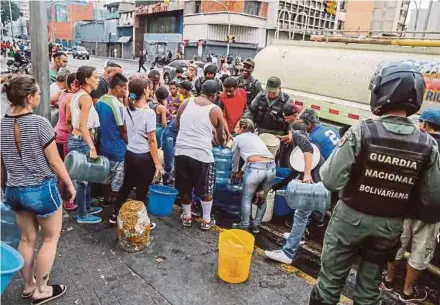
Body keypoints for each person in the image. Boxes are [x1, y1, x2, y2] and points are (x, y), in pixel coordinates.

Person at [308, 62, 440, 305]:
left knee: (328, 286)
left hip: (349, 219)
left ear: (384, 91)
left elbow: (329, 179)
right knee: (368, 292)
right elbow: (432, 199)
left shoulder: (362, 131)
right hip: (389, 227)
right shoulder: (428, 144)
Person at [1, 75, 75, 304]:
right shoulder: (39, 123)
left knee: (26, 239)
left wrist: (4, 187)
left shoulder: (1, 124)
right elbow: (54, 161)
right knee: (50, 239)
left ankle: (28, 286)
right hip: (41, 190)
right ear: (29, 97)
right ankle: (42, 290)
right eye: (38, 94)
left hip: (14, 190)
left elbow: (1, 163)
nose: (40, 97)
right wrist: (70, 184)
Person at [381, 108, 440, 303]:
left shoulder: (415, 143)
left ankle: (388, 280)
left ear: (423, 124)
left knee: (396, 244)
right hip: (431, 212)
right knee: (420, 251)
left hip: (403, 205)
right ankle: (407, 291)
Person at [264, 121, 325, 264]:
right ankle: (300, 237)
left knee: (300, 215)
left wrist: (307, 174)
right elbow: (292, 174)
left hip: (312, 186)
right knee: (306, 215)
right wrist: (275, 187)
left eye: (290, 132)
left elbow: (307, 149)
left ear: (293, 131)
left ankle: (287, 253)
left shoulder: (299, 138)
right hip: (321, 185)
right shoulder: (303, 143)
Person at [110, 77, 165, 224]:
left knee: (126, 186)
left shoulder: (127, 108)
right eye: (148, 88)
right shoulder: (149, 113)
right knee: (141, 190)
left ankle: (115, 216)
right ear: (144, 90)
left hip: (130, 154)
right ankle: (138, 223)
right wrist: (158, 163)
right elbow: (152, 140)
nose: (150, 90)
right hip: (144, 157)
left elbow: (126, 131)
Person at [175, 80, 225, 229]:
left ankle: (187, 217)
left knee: (185, 187)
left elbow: (177, 124)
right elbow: (221, 137)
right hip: (202, 155)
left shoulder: (186, 103)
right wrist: (217, 141)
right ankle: (206, 220)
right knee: (205, 189)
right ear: (214, 95)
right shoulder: (215, 109)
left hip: (181, 151)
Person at [68, 66, 102, 224]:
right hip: (82, 141)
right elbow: (83, 125)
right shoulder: (86, 98)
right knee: (83, 180)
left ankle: (87, 206)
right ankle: (83, 214)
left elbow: (69, 119)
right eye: (95, 77)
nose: (98, 79)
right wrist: (92, 147)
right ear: (87, 79)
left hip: (78, 139)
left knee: (87, 177)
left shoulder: (76, 95)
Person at [230, 118, 276, 233]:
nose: (236, 130)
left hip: (255, 169)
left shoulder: (238, 138)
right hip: (271, 168)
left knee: (247, 198)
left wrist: (235, 172)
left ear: (243, 128)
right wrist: (242, 172)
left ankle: (244, 224)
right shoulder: (257, 138)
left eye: (237, 127)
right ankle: (256, 226)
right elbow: (251, 157)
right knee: (262, 197)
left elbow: (235, 158)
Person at [96, 73, 129, 212]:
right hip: (118, 149)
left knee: (105, 175)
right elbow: (123, 131)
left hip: (103, 146)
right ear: (118, 88)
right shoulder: (118, 105)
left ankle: (107, 199)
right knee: (118, 180)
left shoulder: (100, 101)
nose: (126, 91)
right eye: (125, 88)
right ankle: (116, 207)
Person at [161, 80, 194, 186]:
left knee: (170, 164)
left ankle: (169, 184)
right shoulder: (189, 100)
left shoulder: (189, 101)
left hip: (172, 136)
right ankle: (168, 184)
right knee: (171, 164)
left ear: (183, 89)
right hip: (173, 135)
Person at [55, 73, 79, 211]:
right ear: (72, 84)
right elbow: (70, 122)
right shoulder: (71, 98)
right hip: (65, 136)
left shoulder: (63, 93)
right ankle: (66, 201)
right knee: (66, 170)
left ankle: (61, 200)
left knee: (61, 169)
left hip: (58, 133)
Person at [277, 103, 303, 168]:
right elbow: (291, 134)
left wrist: (290, 139)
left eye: (287, 118)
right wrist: (285, 137)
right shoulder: (292, 122)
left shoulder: (301, 126)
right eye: (285, 118)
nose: (286, 120)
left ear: (295, 115)